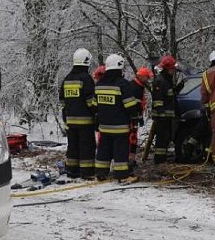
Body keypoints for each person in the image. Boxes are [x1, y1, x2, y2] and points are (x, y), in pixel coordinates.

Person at [94, 54, 141, 183]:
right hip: (120, 126)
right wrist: (135, 117)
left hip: (104, 126)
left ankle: (101, 173)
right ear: (120, 67)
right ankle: (121, 175)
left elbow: (94, 105)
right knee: (120, 150)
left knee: (104, 149)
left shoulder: (99, 84)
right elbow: (130, 105)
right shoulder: (122, 84)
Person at [59, 48, 98, 179]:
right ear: (87, 61)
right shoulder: (86, 79)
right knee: (86, 147)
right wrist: (97, 112)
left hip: (70, 121)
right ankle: (87, 172)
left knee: (73, 147)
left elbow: (62, 101)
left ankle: (72, 170)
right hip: (85, 122)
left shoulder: (67, 78)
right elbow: (91, 102)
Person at [151, 55, 180, 164]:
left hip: (166, 116)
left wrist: (177, 88)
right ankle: (159, 160)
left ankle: (161, 159)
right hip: (162, 116)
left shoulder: (167, 80)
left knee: (165, 138)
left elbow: (169, 95)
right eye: (172, 69)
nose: (174, 71)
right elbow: (158, 99)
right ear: (167, 68)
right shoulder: (160, 80)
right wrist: (161, 112)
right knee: (161, 139)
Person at [128, 66, 153, 167]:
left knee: (133, 138)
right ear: (142, 77)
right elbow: (135, 105)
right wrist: (138, 117)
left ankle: (131, 159)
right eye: (147, 77)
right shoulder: (135, 87)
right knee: (132, 138)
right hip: (132, 118)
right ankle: (130, 160)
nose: (148, 79)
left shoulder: (138, 86)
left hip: (134, 116)